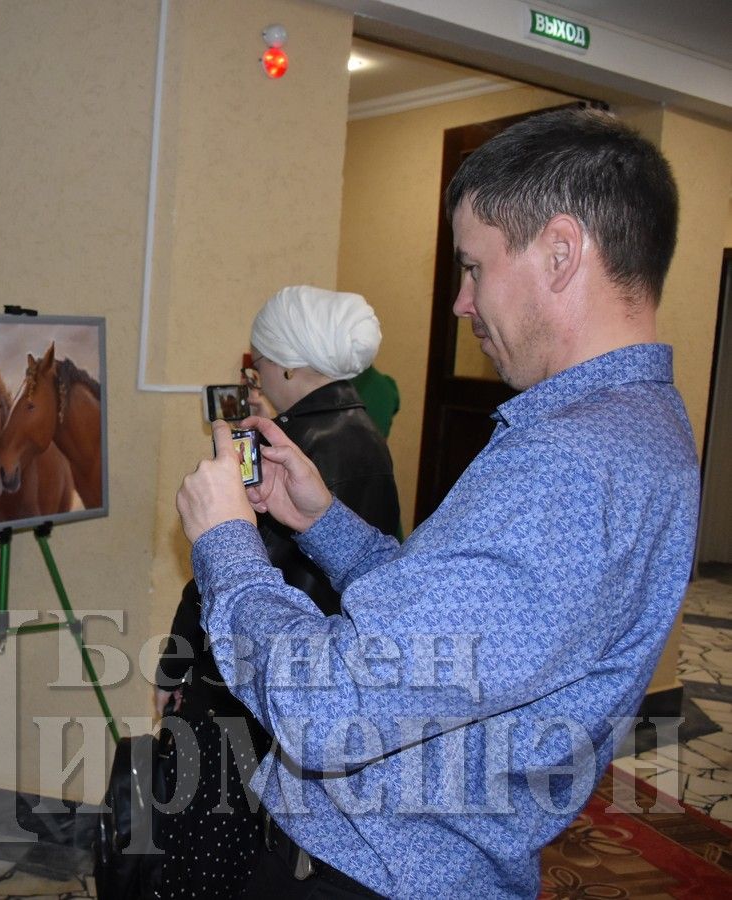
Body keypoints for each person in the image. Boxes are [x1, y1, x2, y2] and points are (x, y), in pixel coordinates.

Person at [175, 107, 697, 899]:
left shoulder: (567, 463)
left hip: (371, 874)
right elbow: (452, 627)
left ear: (559, 252)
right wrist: (322, 523)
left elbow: (326, 710)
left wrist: (225, 543)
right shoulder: (638, 427)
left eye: (474, 267)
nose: (460, 301)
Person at [153, 286, 401, 900]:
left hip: (252, 683)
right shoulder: (367, 436)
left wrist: (173, 666)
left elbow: (226, 572)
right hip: (314, 686)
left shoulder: (282, 449)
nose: (254, 374)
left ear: (288, 364)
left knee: (201, 846)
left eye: (257, 361)